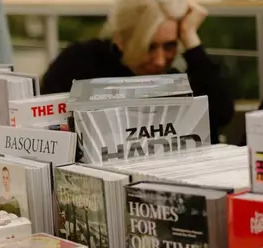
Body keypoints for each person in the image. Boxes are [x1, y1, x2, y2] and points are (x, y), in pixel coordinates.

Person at [41, 0, 234, 144]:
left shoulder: (182, 71)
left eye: (170, 46)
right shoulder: (81, 61)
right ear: (120, 40)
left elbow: (222, 113)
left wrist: (190, 39)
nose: (160, 60)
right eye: (149, 47)